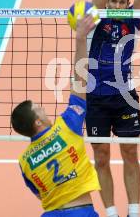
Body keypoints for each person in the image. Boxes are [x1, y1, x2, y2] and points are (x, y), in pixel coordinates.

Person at [86, 0, 140, 217]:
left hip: (125, 96)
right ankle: (112, 212)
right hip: (96, 99)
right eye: (112, 0)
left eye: (120, 1)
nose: (115, 4)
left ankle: (134, 212)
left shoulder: (131, 20)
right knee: (101, 158)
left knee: (129, 153)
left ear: (126, 3)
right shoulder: (94, 20)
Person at [12, 13, 99, 216]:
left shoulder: (24, 161)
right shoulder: (66, 127)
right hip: (81, 213)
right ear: (38, 121)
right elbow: (80, 82)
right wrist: (81, 39)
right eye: (39, 108)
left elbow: (39, 194)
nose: (44, 109)